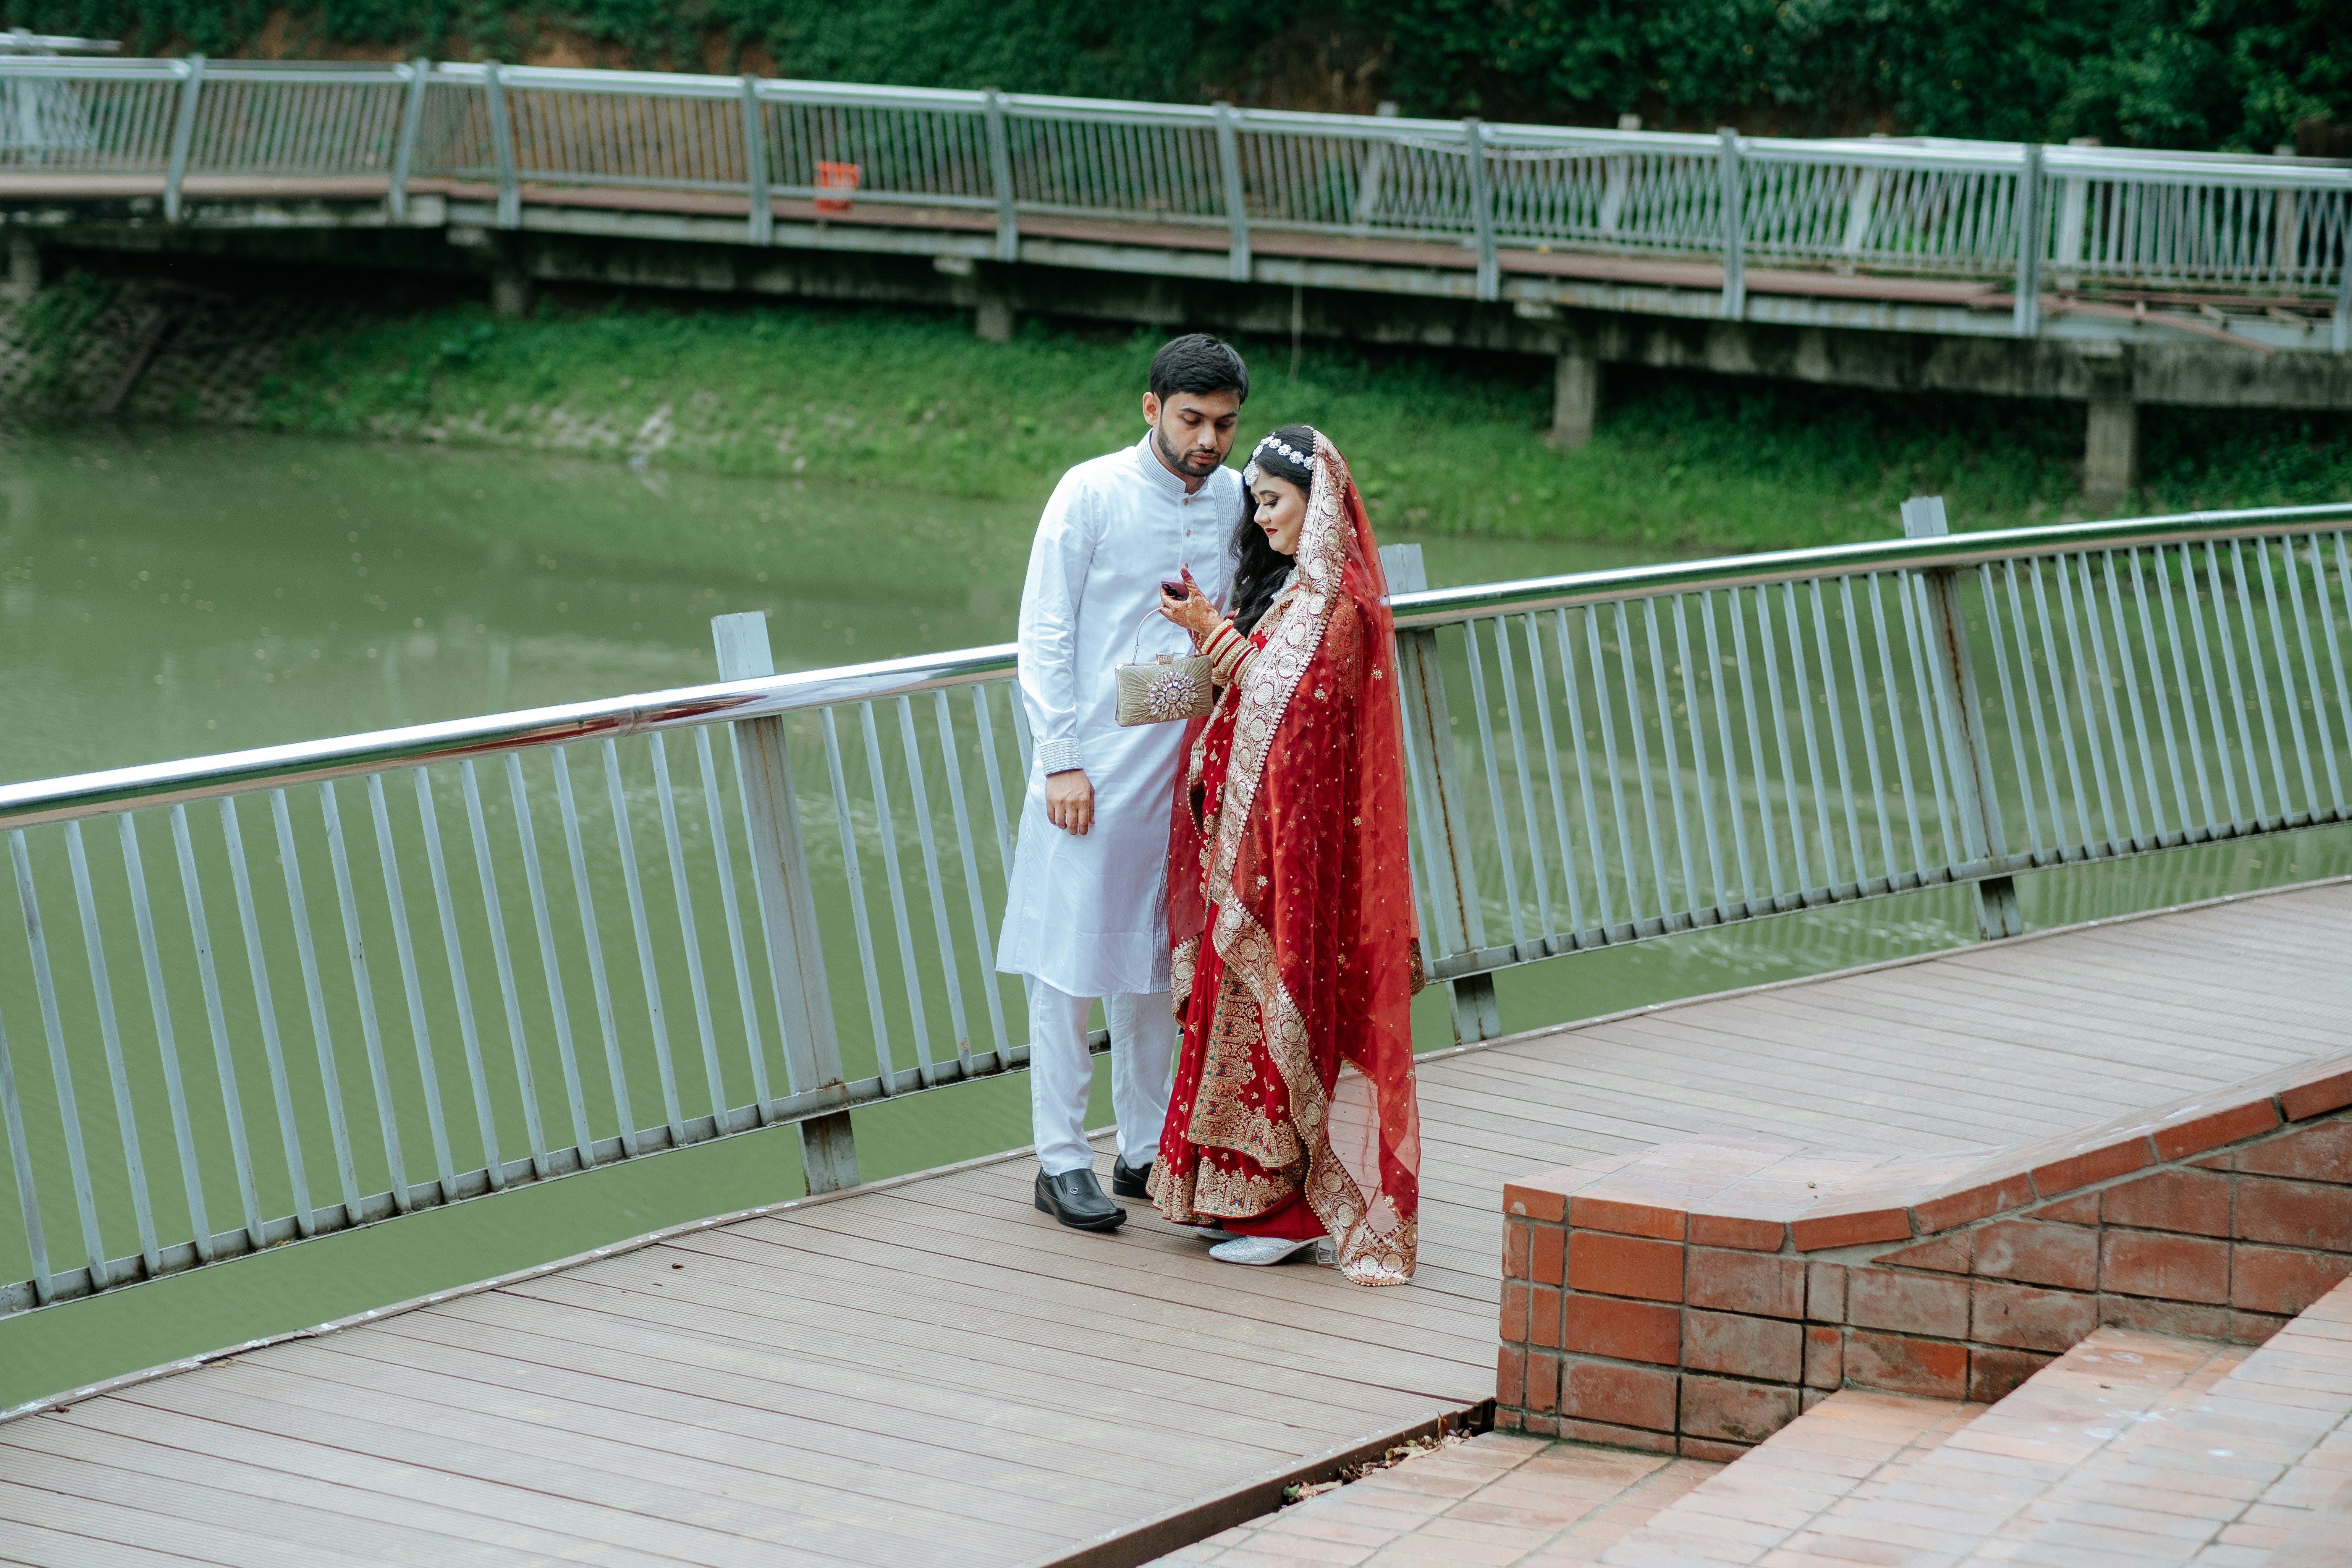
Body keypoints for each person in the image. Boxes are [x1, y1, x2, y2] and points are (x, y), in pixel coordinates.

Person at [1148, 424, 1422, 1285]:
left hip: (1286, 860)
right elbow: (1260, 693)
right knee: (1228, 1024)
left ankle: (1291, 1212)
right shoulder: (1295, 595)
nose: (1261, 518)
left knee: (1277, 1025)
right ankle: (1231, 1198)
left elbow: (1297, 724)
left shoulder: (1338, 607)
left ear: (1321, 501)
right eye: (1255, 502)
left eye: (1274, 500)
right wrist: (1210, 636)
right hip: (1247, 849)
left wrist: (1215, 642)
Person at [998, 334, 1249, 1232]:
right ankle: (1059, 1158)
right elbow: (1046, 631)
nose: (1209, 440)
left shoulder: (1233, 501)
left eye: (1223, 423)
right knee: (1069, 966)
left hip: (1182, 774)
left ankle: (1144, 1150)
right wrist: (1060, 755)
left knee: (1156, 964)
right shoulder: (1091, 491)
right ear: (1151, 409)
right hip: (1092, 768)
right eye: (1191, 419)